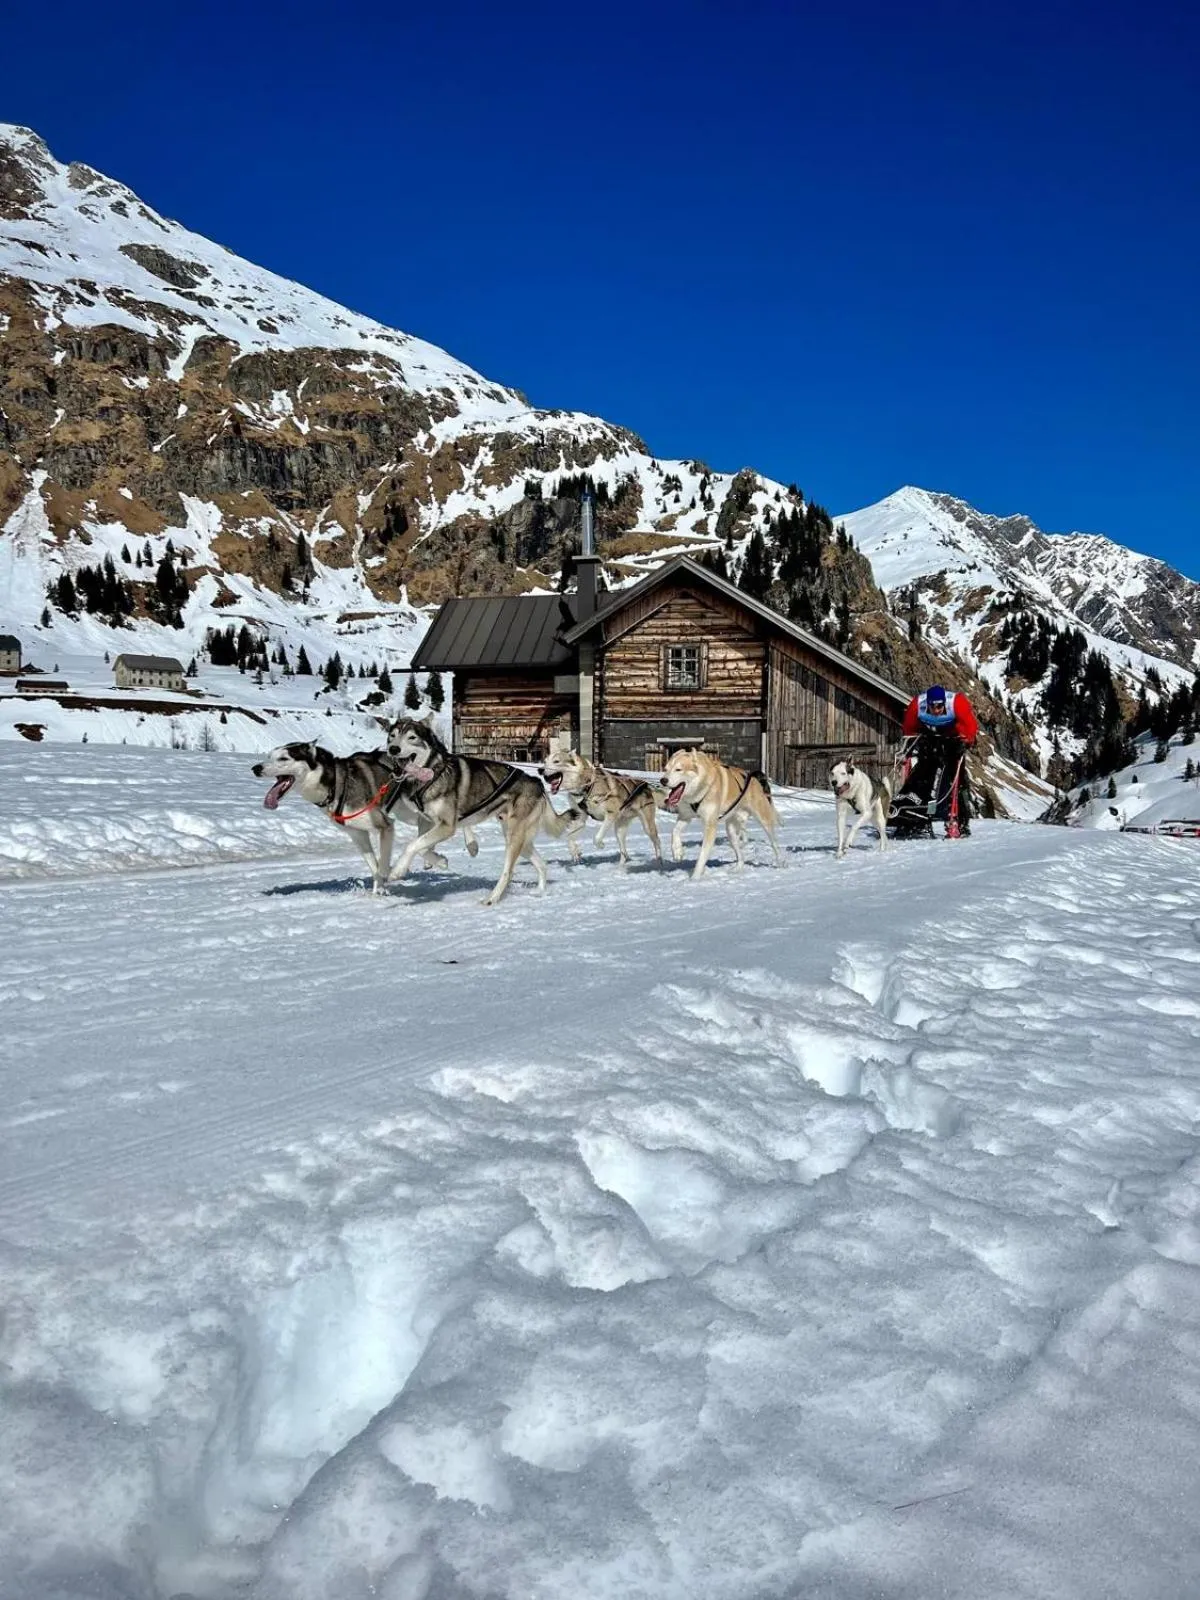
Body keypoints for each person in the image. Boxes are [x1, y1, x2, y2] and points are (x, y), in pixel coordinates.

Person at [896, 684, 978, 835]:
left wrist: (967, 741)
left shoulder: (956, 703)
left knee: (957, 780)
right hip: (929, 736)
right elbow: (909, 727)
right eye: (932, 707)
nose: (936, 710)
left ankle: (960, 821)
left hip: (953, 737)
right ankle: (913, 815)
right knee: (923, 774)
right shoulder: (917, 705)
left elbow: (970, 726)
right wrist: (911, 743)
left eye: (939, 706)